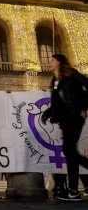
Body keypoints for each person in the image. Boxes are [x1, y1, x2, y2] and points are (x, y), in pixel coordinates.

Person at [41, 54, 88, 202]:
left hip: (74, 116)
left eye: (52, 60)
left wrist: (83, 107)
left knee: (69, 151)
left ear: (60, 62)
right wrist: (46, 114)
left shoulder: (71, 74)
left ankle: (73, 189)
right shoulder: (55, 80)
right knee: (70, 153)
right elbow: (56, 103)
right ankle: (73, 190)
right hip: (65, 119)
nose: (49, 63)